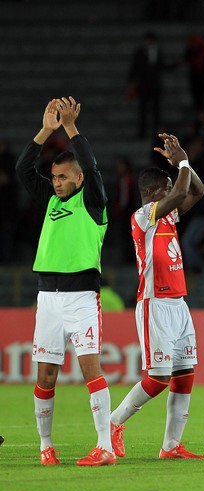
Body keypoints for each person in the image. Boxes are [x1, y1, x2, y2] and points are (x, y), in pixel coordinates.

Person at [15, 97, 115, 466]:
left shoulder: (93, 202)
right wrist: (46, 130)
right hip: (48, 298)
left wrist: (70, 128)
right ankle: (46, 445)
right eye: (54, 177)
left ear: (79, 179)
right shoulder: (51, 201)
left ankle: (104, 446)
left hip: (80, 297)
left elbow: (92, 164)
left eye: (63, 177)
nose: (56, 182)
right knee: (45, 375)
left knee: (91, 369)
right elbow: (24, 169)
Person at [110, 133, 204, 460]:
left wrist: (184, 164)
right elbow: (181, 190)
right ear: (152, 194)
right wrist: (181, 160)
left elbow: (197, 190)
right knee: (158, 378)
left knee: (184, 375)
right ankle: (113, 423)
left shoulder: (167, 215)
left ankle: (171, 445)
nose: (172, 196)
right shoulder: (143, 217)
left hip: (179, 303)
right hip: (155, 303)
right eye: (165, 190)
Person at [128, 32, 167, 139]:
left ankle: (157, 133)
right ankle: (142, 133)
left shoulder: (157, 52)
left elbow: (161, 66)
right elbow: (134, 67)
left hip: (155, 86)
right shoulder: (140, 52)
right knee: (143, 110)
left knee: (156, 111)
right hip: (143, 86)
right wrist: (132, 82)